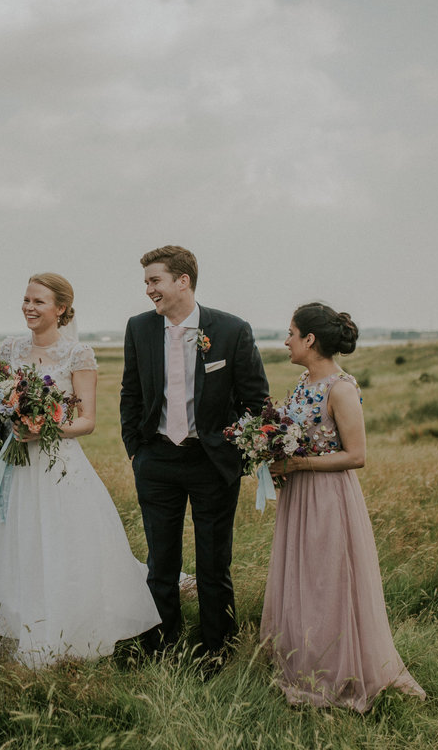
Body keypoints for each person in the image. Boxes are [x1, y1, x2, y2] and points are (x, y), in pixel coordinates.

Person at [0, 274, 160, 667]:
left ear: (60, 309)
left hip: (58, 464)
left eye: (38, 302)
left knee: (65, 548)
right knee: (22, 544)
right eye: (26, 299)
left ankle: (69, 638)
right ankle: (25, 633)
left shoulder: (78, 355)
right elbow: (0, 402)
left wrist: (41, 428)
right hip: (19, 466)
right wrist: (12, 421)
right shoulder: (10, 349)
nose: (29, 307)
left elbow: (87, 421)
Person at [263, 302, 425, 711]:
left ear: (310, 340)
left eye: (291, 334)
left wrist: (298, 462)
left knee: (328, 583)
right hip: (299, 495)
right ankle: (305, 664)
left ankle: (341, 674)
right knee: (302, 579)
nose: (286, 341)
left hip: (329, 497)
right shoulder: (303, 382)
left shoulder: (341, 389)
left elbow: (357, 455)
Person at [120, 245, 268, 666]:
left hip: (211, 463)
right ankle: (160, 648)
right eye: (147, 282)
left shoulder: (231, 330)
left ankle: (216, 651)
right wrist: (137, 451)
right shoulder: (139, 329)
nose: (148, 289)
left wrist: (235, 455)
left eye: (155, 280)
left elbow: (256, 401)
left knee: (214, 563)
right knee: (160, 562)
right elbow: (131, 393)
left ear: (182, 281)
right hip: (158, 461)